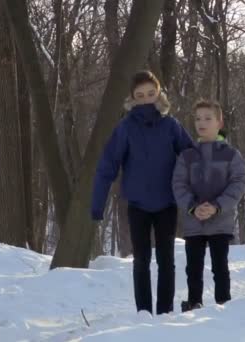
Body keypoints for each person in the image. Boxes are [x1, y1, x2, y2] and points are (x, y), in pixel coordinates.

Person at [91, 71, 194, 315]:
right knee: (141, 262)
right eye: (140, 95)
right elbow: (107, 166)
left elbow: (192, 157)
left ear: (159, 93)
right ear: (133, 99)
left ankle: (165, 312)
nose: (147, 99)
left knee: (166, 262)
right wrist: (97, 204)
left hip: (166, 204)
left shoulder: (171, 126)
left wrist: (203, 189)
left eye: (151, 93)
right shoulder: (125, 128)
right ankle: (144, 314)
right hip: (137, 205)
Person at [172, 99, 245, 312]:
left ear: (219, 123)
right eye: (197, 119)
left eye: (207, 118)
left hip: (220, 221)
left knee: (220, 267)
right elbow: (178, 184)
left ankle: (224, 305)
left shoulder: (231, 155)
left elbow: (239, 182)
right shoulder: (187, 156)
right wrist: (193, 208)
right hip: (193, 221)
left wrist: (216, 206)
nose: (201, 123)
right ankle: (194, 303)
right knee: (193, 267)